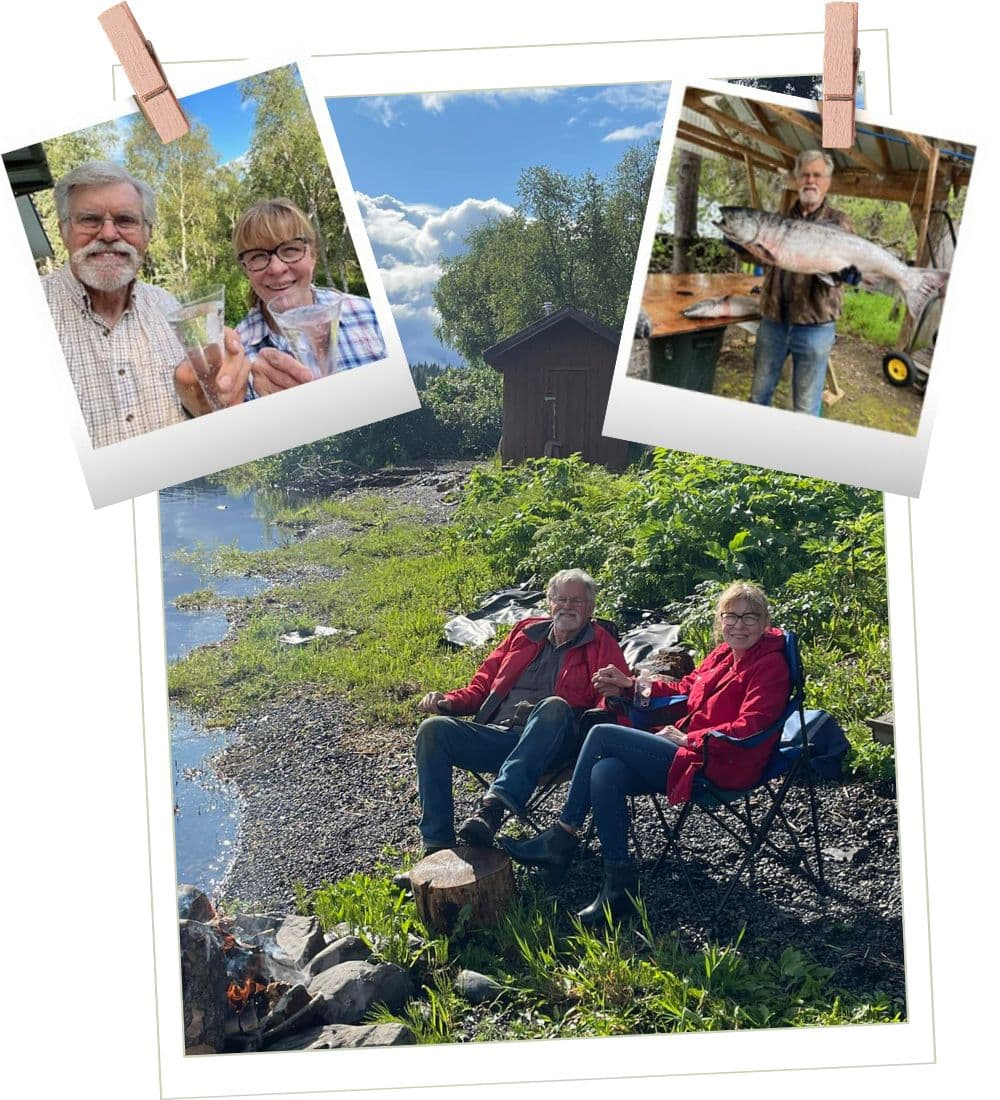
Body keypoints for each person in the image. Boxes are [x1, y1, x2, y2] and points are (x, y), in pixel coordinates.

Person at [500, 582, 790, 927]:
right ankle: (618, 886)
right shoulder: (723, 655)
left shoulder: (770, 665)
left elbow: (752, 725)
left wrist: (690, 739)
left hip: (724, 761)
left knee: (602, 733)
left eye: (750, 618)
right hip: (690, 753)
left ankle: (562, 835)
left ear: (764, 621)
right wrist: (631, 684)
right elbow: (684, 690)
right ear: (720, 620)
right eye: (731, 617)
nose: (739, 626)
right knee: (606, 771)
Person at [412, 569, 630, 856]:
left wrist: (613, 699)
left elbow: (614, 700)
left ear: (590, 608)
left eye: (576, 601)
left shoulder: (601, 643)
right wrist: (448, 702)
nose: (567, 607)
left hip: (557, 746)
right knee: (434, 730)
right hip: (502, 737)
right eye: (560, 599)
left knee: (554, 706)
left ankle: (493, 809)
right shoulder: (524, 633)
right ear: (549, 603)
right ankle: (437, 847)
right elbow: (482, 686)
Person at [42, 161, 251, 448]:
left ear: (147, 234)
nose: (108, 234)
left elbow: (202, 405)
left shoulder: (169, 306)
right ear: (64, 231)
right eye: (90, 219)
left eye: (126, 220)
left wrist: (210, 399)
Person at [231, 198, 386, 396]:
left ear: (313, 255)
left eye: (290, 250)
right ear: (246, 270)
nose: (277, 268)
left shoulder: (370, 314)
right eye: (258, 256)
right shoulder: (236, 357)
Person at [748, 150, 855, 416]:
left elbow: (850, 266)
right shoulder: (779, 218)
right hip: (773, 321)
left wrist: (847, 275)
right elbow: (759, 251)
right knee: (759, 393)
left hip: (815, 327)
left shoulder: (840, 223)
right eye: (805, 174)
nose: (810, 180)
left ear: (827, 182)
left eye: (817, 175)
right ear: (796, 179)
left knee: (806, 406)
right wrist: (740, 244)